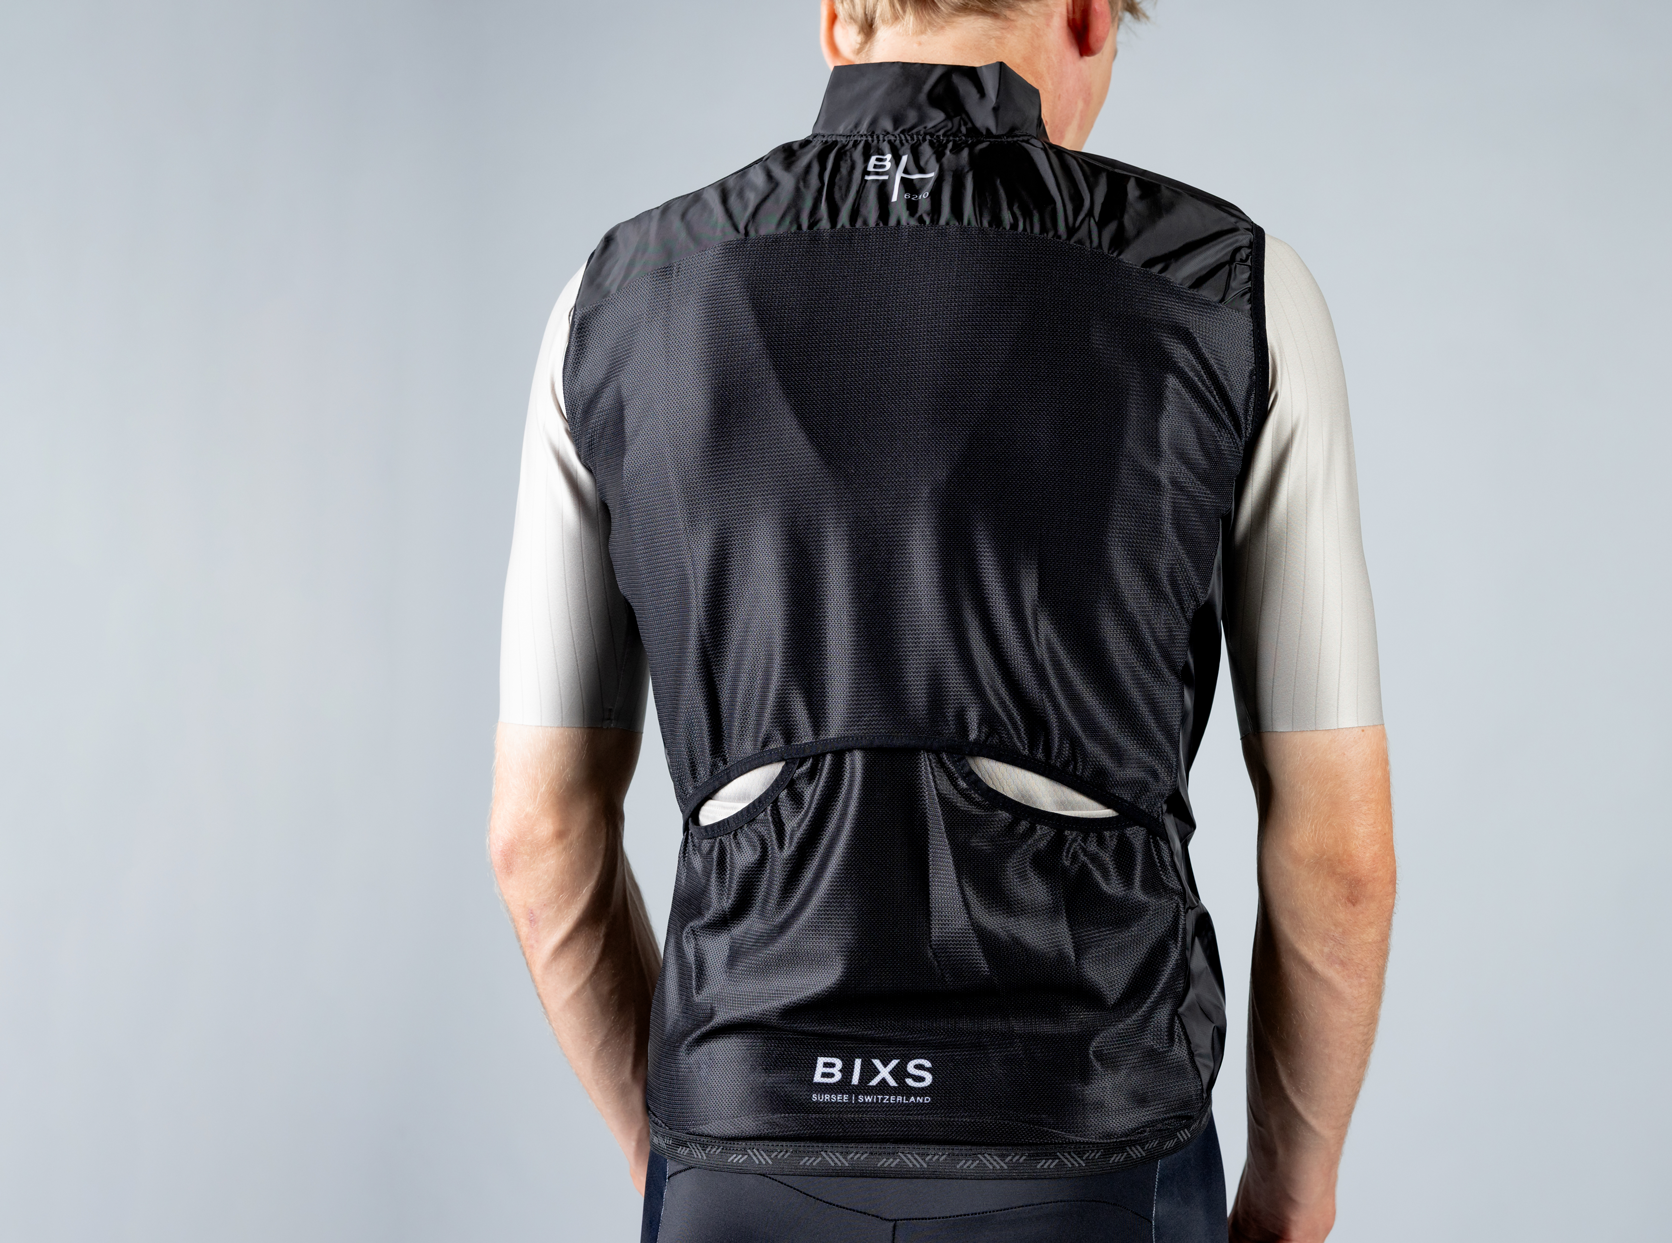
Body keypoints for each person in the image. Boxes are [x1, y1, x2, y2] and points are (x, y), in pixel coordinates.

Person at [488, 1, 1396, 1239]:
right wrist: (1291, 1195)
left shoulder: (610, 303)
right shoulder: (1234, 291)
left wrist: (685, 1149)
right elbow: (1341, 858)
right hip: (1096, 1140)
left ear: (838, 20)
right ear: (1087, 18)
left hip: (738, 1144)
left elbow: (539, 838)